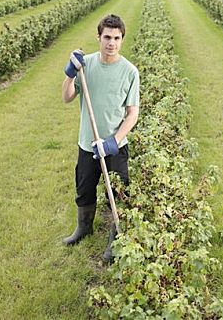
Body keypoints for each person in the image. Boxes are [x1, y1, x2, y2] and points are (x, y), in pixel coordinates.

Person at [61, 14, 140, 262]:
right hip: (87, 145)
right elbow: (67, 97)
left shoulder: (129, 71)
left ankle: (115, 238)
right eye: (107, 37)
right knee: (84, 190)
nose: (111, 43)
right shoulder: (86, 66)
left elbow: (133, 114)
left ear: (122, 40)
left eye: (117, 38)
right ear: (99, 37)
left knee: (117, 194)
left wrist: (114, 141)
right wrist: (70, 74)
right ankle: (84, 228)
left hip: (115, 147)